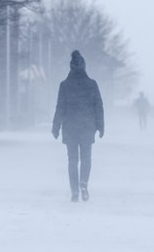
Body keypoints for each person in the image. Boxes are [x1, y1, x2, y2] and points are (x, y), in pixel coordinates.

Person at [52, 50, 104, 202]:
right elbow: (98, 106)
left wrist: (56, 127)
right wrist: (101, 126)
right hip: (87, 126)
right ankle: (84, 183)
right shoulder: (92, 84)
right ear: (84, 66)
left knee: (72, 160)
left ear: (71, 66)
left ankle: (74, 190)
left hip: (70, 127)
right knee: (86, 158)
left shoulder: (65, 85)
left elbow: (60, 107)